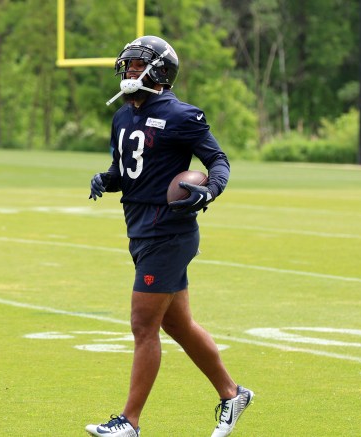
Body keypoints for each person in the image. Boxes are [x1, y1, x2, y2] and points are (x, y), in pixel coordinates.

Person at [86, 35, 254, 437]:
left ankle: (130, 421)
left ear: (158, 71)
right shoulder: (123, 116)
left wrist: (209, 190)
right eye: (126, 65)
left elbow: (218, 160)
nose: (128, 72)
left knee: (143, 325)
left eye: (136, 65)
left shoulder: (182, 115)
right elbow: (128, 170)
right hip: (140, 230)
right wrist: (105, 179)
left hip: (170, 232)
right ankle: (233, 394)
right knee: (177, 324)